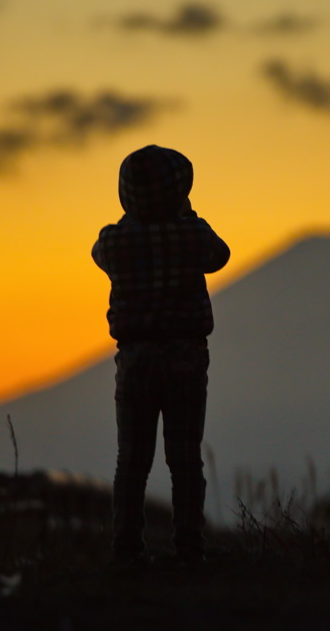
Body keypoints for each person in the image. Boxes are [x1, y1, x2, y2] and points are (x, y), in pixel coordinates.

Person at [92, 144, 230, 566]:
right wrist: (185, 216)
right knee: (185, 457)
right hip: (185, 356)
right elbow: (220, 256)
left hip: (134, 360)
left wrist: (135, 219)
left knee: (131, 459)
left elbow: (98, 254)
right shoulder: (193, 233)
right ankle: (190, 549)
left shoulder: (114, 240)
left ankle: (126, 550)